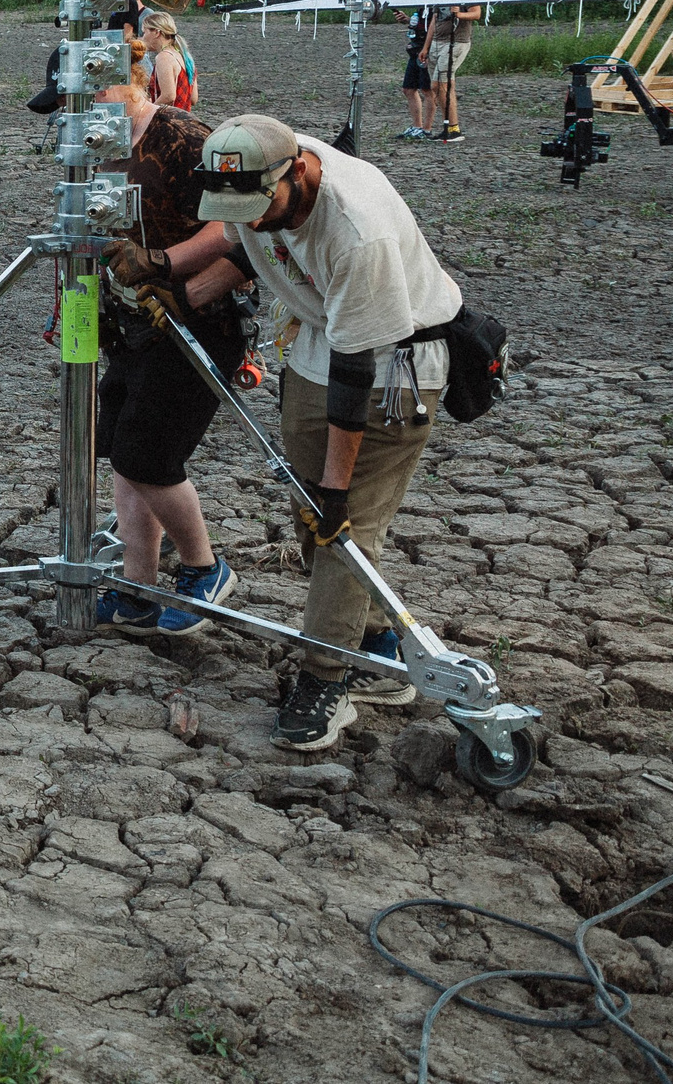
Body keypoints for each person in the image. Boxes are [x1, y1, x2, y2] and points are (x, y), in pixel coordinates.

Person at [139, 113, 463, 751]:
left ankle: (324, 679)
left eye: (263, 206)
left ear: (300, 172)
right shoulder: (252, 180)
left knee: (344, 529)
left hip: (389, 373)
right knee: (312, 525)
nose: (254, 218)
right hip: (317, 349)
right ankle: (376, 651)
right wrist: (169, 274)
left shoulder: (355, 230)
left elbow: (355, 375)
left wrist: (337, 490)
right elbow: (243, 246)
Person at [89, 66, 249, 637]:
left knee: (148, 455)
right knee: (121, 453)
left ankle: (204, 568)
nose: (81, 109)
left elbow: (231, 228)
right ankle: (139, 587)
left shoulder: (184, 138)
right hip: (127, 324)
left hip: (193, 317)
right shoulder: (91, 149)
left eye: (93, 93)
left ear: (133, 83)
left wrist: (163, 265)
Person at [426, 0, 482, 142]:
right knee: (444, 87)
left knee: (440, 84)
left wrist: (459, 15)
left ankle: (454, 128)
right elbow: (433, 21)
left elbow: (476, 14)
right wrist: (426, 46)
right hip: (437, 42)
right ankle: (450, 126)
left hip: (456, 41)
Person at [397, 0, 435, 140]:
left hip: (426, 49)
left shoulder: (434, 4)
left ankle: (426, 129)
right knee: (409, 89)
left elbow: (432, 27)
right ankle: (417, 126)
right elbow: (421, 25)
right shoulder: (421, 4)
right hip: (415, 49)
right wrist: (407, 21)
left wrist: (426, 49)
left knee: (427, 90)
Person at [141, 11, 194, 110]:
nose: (142, 37)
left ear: (157, 32)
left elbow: (169, 96)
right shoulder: (185, 56)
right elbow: (193, 98)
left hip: (168, 121)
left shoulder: (164, 57)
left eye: (144, 32)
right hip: (184, 119)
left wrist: (148, 111)